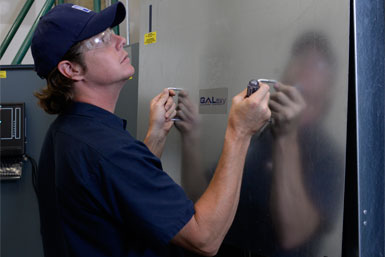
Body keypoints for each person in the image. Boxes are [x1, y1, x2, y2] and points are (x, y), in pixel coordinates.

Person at [31, 2, 271, 257]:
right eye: (102, 39)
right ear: (72, 69)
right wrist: (239, 132)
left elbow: (119, 190)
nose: (121, 40)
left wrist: (155, 137)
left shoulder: (65, 132)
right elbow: (204, 238)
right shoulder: (108, 149)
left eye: (112, 32)